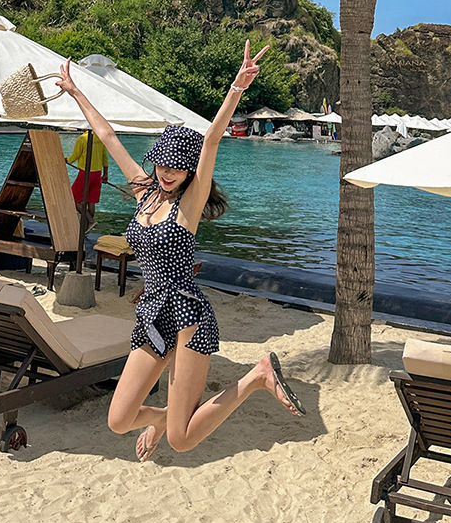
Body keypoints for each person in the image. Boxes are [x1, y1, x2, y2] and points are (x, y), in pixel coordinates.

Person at [54, 40, 305, 462]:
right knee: (119, 419)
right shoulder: (144, 192)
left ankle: (257, 376)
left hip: (188, 315)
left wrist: (237, 88)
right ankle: (160, 417)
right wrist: (77, 92)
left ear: (189, 171)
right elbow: (108, 136)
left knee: (182, 439)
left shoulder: (188, 205)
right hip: (152, 313)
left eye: (176, 167)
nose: (167, 172)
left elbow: (211, 140)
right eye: (162, 164)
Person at [66, 129, 109, 232]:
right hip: (97, 174)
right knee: (91, 201)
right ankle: (85, 229)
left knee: (74, 199)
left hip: (85, 173)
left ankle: (90, 221)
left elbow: (75, 155)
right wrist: (105, 173)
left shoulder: (82, 138)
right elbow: (105, 157)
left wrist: (67, 160)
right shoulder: (100, 138)